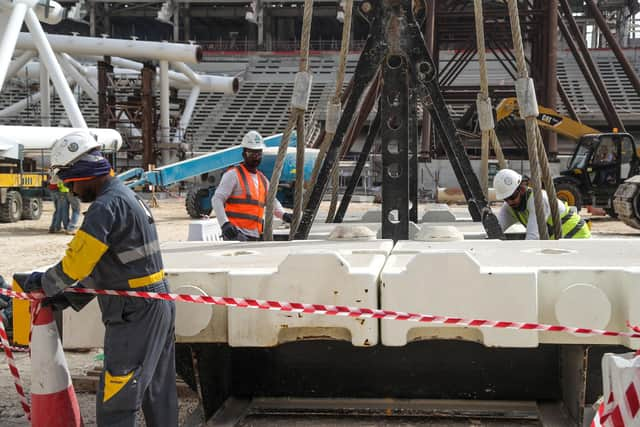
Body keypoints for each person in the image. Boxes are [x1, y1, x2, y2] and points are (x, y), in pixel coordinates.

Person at [22, 131, 177, 426]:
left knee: (117, 401)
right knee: (159, 394)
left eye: (71, 183)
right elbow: (114, 268)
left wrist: (43, 283)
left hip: (136, 315)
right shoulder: (127, 197)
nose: (71, 191)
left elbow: (74, 265)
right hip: (156, 303)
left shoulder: (105, 208)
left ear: (84, 172)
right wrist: (70, 296)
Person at [212, 130, 293, 241]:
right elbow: (217, 199)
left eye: (258, 154)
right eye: (251, 153)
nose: (255, 157)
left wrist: (284, 215)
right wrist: (225, 224)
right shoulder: (233, 175)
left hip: (254, 235)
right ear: (244, 154)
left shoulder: (263, 179)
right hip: (235, 234)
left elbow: (272, 202)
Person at [494, 168, 591, 240]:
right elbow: (495, 231)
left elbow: (533, 238)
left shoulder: (538, 200)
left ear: (522, 189)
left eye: (512, 197)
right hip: (559, 242)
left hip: (578, 238)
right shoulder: (509, 208)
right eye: (505, 199)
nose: (510, 202)